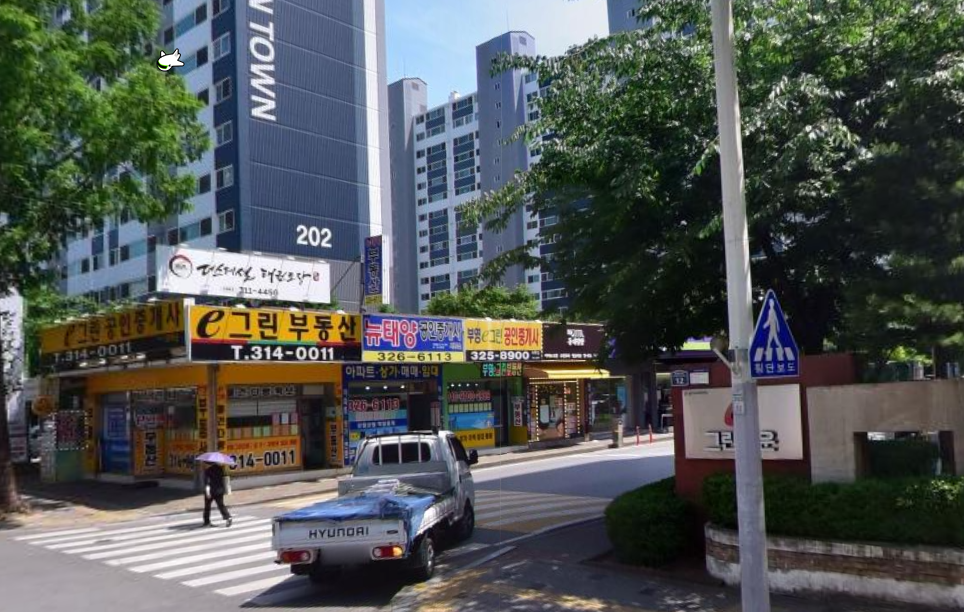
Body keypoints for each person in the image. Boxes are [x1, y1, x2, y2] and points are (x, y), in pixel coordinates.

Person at [202, 462, 233, 527]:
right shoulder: (221, 469)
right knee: (221, 505)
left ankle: (206, 522)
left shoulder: (208, 470)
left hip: (211, 490)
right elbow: (224, 479)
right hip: (219, 490)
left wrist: (207, 491)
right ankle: (228, 517)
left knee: (207, 506)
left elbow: (207, 482)